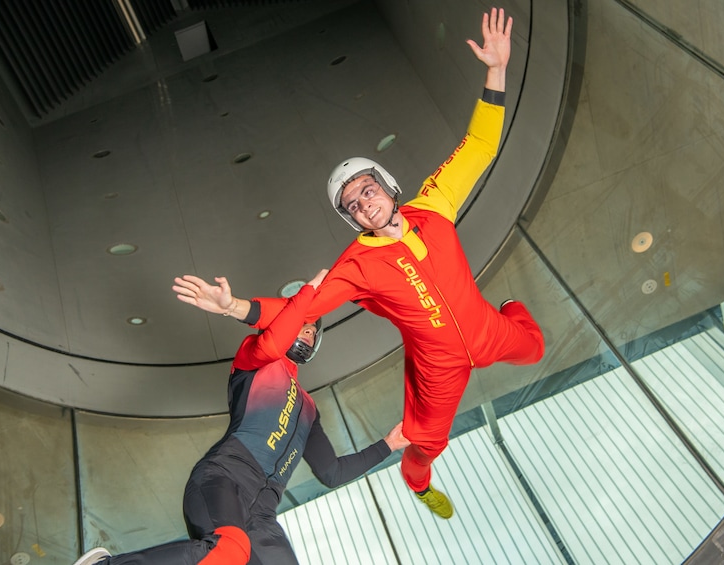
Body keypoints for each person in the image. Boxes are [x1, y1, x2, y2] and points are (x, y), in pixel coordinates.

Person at [175, 7, 544, 521]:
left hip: (488, 329)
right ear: (352, 219)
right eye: (353, 204)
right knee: (424, 446)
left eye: (368, 190)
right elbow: (296, 309)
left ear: (387, 187)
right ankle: (417, 485)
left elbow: (480, 146)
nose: (364, 203)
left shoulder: (434, 205)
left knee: (535, 346)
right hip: (438, 370)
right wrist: (233, 305)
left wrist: (496, 69)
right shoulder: (357, 265)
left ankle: (510, 307)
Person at [73, 269, 409, 565]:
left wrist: (389, 445)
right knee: (230, 551)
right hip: (223, 480)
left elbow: (332, 472)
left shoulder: (309, 409)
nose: (306, 332)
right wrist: (305, 296)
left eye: (312, 329)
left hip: (262, 516)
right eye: (301, 323)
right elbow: (274, 343)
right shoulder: (256, 358)